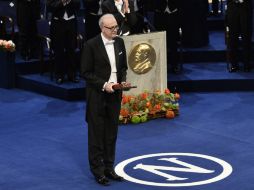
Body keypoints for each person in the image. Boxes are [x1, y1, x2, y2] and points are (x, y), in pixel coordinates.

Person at [80, 14, 129, 186]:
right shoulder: (91, 45)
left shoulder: (120, 42)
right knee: (96, 135)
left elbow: (123, 67)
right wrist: (104, 85)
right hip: (97, 96)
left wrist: (122, 81)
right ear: (102, 28)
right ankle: (98, 171)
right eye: (112, 27)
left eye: (116, 26)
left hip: (115, 94)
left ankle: (109, 167)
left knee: (111, 134)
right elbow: (85, 73)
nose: (116, 29)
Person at [47, 0, 80, 84]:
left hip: (71, 23)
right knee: (59, 51)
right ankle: (59, 75)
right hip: (58, 23)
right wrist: (62, 2)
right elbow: (50, 7)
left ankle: (71, 74)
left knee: (71, 50)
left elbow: (78, 5)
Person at [151, 0, 182, 74]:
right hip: (160, 15)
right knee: (161, 43)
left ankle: (174, 65)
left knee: (173, 43)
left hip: (173, 15)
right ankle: (162, 66)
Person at [226, 0, 253, 72]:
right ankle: (234, 64)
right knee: (233, 37)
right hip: (232, 6)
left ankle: (247, 64)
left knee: (246, 36)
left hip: (245, 7)